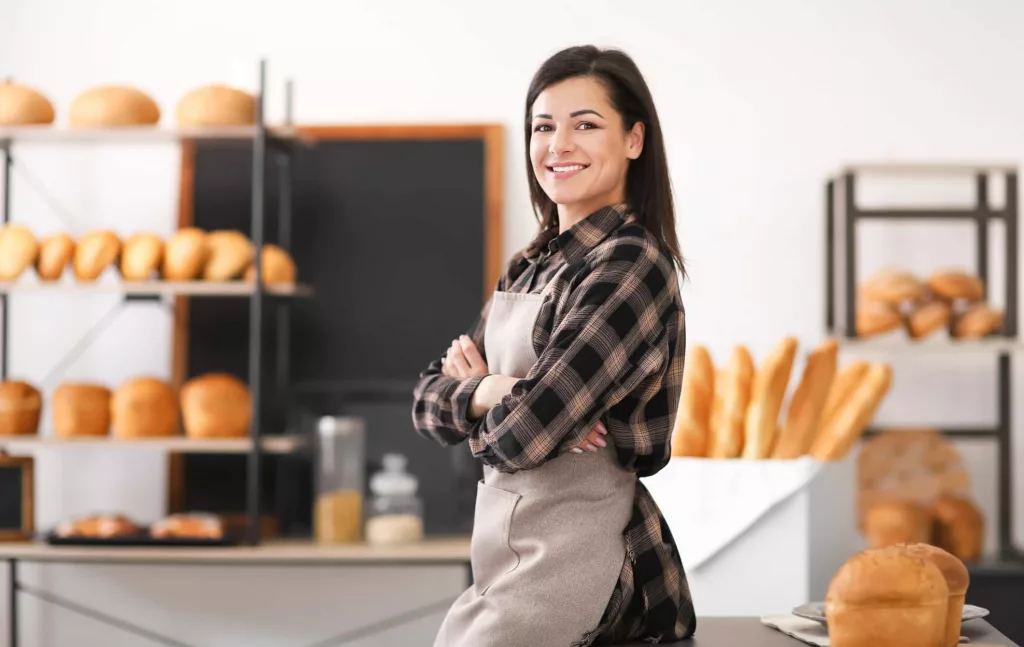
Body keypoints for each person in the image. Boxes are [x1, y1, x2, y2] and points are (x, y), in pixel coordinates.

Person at [411, 44, 696, 647]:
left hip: (579, 559)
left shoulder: (631, 265)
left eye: (585, 125)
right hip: (504, 553)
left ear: (634, 140)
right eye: (543, 127)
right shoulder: (529, 266)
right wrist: (499, 390)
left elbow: (524, 434)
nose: (558, 144)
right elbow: (424, 402)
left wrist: (494, 406)